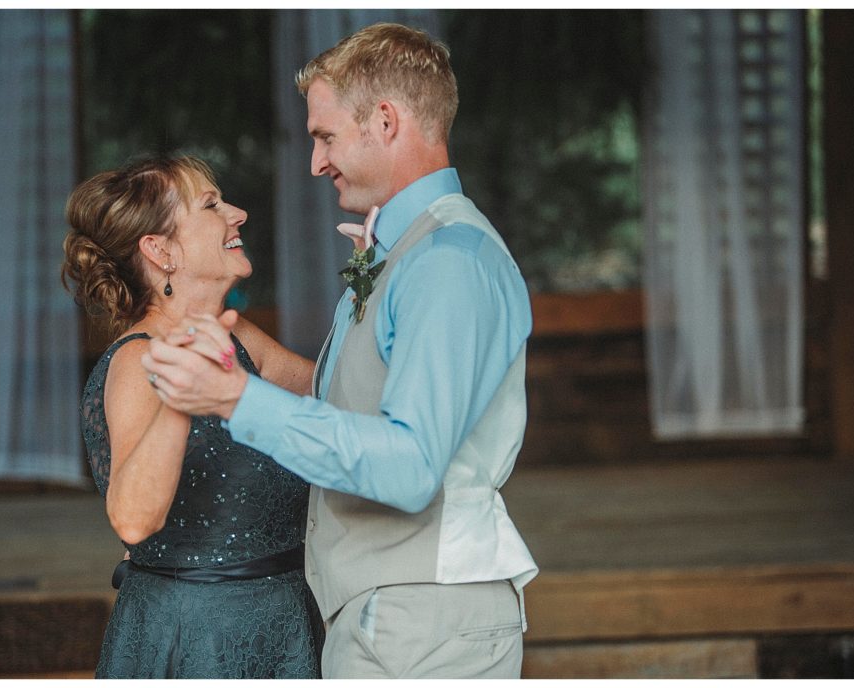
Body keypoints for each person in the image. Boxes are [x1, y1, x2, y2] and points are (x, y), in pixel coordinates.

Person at [142, 23, 538, 678]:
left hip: (424, 620)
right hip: (394, 613)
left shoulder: (448, 260)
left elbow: (411, 467)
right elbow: (360, 406)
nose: (316, 163)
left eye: (325, 137)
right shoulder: (406, 252)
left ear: (385, 121)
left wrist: (240, 400)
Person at [60, 155, 322, 679]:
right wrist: (183, 396)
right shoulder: (138, 362)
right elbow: (133, 520)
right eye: (211, 204)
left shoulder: (238, 338)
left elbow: (344, 397)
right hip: (193, 636)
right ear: (161, 251)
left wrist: (377, 293)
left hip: (286, 626)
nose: (238, 213)